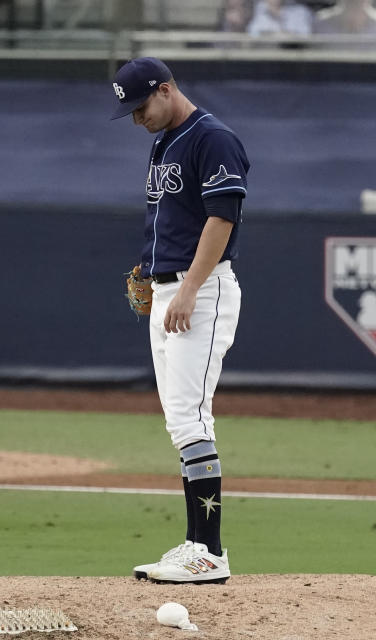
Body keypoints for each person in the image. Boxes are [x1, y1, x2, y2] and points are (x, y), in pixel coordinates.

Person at [109, 57, 249, 584]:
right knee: (182, 419)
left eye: (141, 105)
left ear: (166, 89)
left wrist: (187, 288)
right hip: (171, 290)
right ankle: (196, 543)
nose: (136, 117)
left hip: (202, 292)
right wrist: (151, 270)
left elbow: (222, 216)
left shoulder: (212, 138)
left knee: (190, 417)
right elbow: (169, 215)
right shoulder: (163, 141)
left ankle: (210, 553)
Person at [247, 0, 312, 35]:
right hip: (265, 55)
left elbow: (306, 35)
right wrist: (275, 35)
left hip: (295, 55)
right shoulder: (256, 10)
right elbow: (253, 33)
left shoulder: (300, 11)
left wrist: (287, 36)